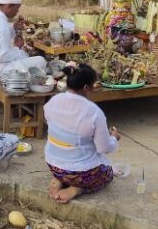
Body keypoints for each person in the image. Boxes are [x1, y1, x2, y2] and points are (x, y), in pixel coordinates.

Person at [44, 64, 120, 203]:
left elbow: (56, 128)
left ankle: (59, 179)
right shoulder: (94, 112)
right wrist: (114, 138)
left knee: (68, 149)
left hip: (53, 166)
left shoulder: (52, 102)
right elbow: (103, 148)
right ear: (86, 88)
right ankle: (77, 189)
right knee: (108, 173)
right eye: (93, 86)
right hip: (80, 174)